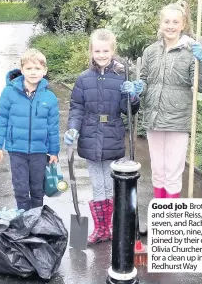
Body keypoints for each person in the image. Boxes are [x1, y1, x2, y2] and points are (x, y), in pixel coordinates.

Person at [64, 28, 142, 245]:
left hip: (113, 136)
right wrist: (73, 128)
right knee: (97, 185)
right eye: (97, 50)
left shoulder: (121, 78)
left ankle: (112, 226)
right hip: (89, 137)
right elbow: (77, 107)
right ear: (91, 51)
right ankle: (101, 229)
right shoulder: (83, 79)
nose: (101, 55)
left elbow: (130, 110)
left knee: (111, 184)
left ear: (112, 51)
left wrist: (132, 96)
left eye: (105, 51)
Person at [139, 2, 202, 199]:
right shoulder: (150, 51)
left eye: (175, 22)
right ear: (160, 24)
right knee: (158, 171)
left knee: (173, 172)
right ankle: (160, 218)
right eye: (166, 21)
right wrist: (138, 88)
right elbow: (144, 81)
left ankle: (170, 221)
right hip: (154, 119)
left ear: (183, 24)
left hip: (178, 120)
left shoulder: (191, 51)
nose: (170, 26)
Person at [0, 48, 60, 211]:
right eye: (29, 68)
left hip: (39, 152)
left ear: (44, 71)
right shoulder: (9, 93)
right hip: (17, 151)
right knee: (21, 189)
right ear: (22, 70)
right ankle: (23, 221)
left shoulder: (49, 97)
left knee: (37, 189)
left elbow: (53, 128)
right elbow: (0, 119)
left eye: (37, 68)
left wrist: (54, 151)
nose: (33, 72)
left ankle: (36, 220)